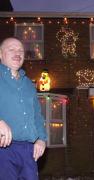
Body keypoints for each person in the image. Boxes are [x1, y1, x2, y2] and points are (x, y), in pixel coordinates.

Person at [0, 37, 47, 180]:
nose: (17, 53)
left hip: (29, 150)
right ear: (0, 54)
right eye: (11, 49)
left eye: (20, 50)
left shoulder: (28, 84)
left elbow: (37, 115)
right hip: (3, 148)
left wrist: (41, 139)